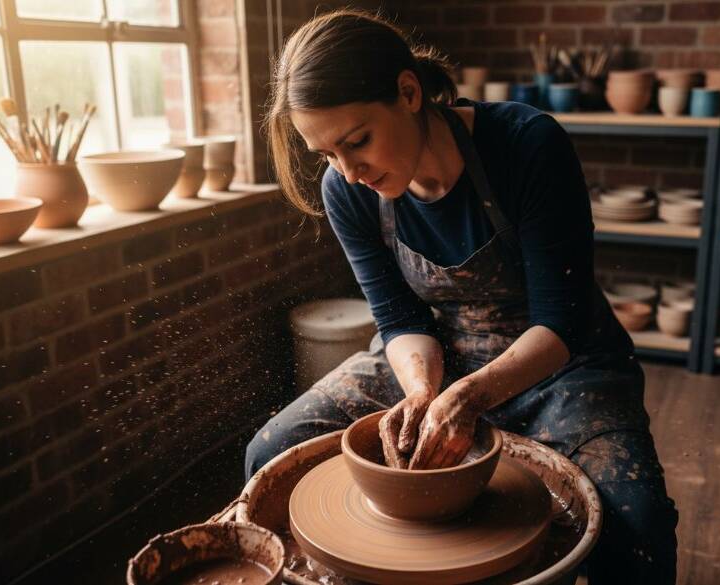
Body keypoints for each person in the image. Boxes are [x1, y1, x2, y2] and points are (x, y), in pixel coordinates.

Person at [246, 8, 678, 584]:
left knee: (636, 518)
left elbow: (561, 321)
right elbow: (399, 318)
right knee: (272, 451)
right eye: (326, 154)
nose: (348, 171)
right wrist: (425, 391)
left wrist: (470, 394)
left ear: (408, 92)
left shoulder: (526, 144)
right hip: (439, 353)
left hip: (559, 360)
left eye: (357, 142)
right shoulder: (346, 190)